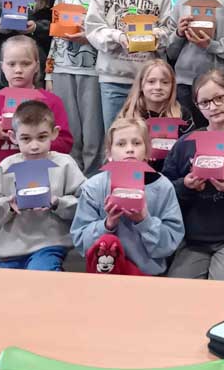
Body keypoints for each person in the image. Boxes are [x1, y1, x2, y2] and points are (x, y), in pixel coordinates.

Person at [164, 69, 224, 281]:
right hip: (192, 240)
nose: (213, 107)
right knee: (177, 288)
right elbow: (165, 190)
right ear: (197, 105)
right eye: (205, 102)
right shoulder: (185, 144)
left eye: (220, 98)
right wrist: (186, 185)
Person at [71, 117, 184, 276]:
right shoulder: (93, 187)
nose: (130, 149)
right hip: (106, 275)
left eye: (136, 143)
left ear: (147, 152)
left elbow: (170, 243)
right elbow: (81, 242)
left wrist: (144, 221)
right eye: (121, 144)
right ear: (109, 153)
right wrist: (108, 224)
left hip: (147, 276)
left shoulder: (162, 187)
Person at [84, 0, 173, 129]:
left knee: (148, 139)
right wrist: (117, 36)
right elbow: (93, 27)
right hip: (114, 79)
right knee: (116, 136)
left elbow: (169, 31)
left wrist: (156, 35)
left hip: (150, 82)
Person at [0, 100, 84, 271]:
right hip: (10, 247)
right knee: (5, 284)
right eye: (26, 138)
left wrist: (58, 202)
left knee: (40, 273)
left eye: (42, 137)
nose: (34, 146)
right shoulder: (6, 166)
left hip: (49, 243)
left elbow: (85, 205)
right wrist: (8, 204)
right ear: (13, 137)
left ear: (54, 133)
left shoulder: (65, 164)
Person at [0, 35, 73, 189]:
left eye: (25, 63)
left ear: (36, 66)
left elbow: (65, 143)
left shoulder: (51, 102)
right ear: (2, 66)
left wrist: (36, 139)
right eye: (11, 64)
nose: (18, 70)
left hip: (43, 184)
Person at [48, 0, 104, 176]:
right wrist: (49, 72)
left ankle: (93, 180)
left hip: (93, 70)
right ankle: (71, 180)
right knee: (69, 131)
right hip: (62, 68)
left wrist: (89, 37)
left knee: (93, 132)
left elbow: (111, 33)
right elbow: (55, 35)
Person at [117, 59, 191, 171]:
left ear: (172, 86)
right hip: (138, 173)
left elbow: (189, 151)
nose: (158, 87)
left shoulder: (182, 115)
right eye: (151, 82)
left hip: (173, 174)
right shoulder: (128, 115)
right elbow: (118, 151)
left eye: (165, 82)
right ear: (141, 85)